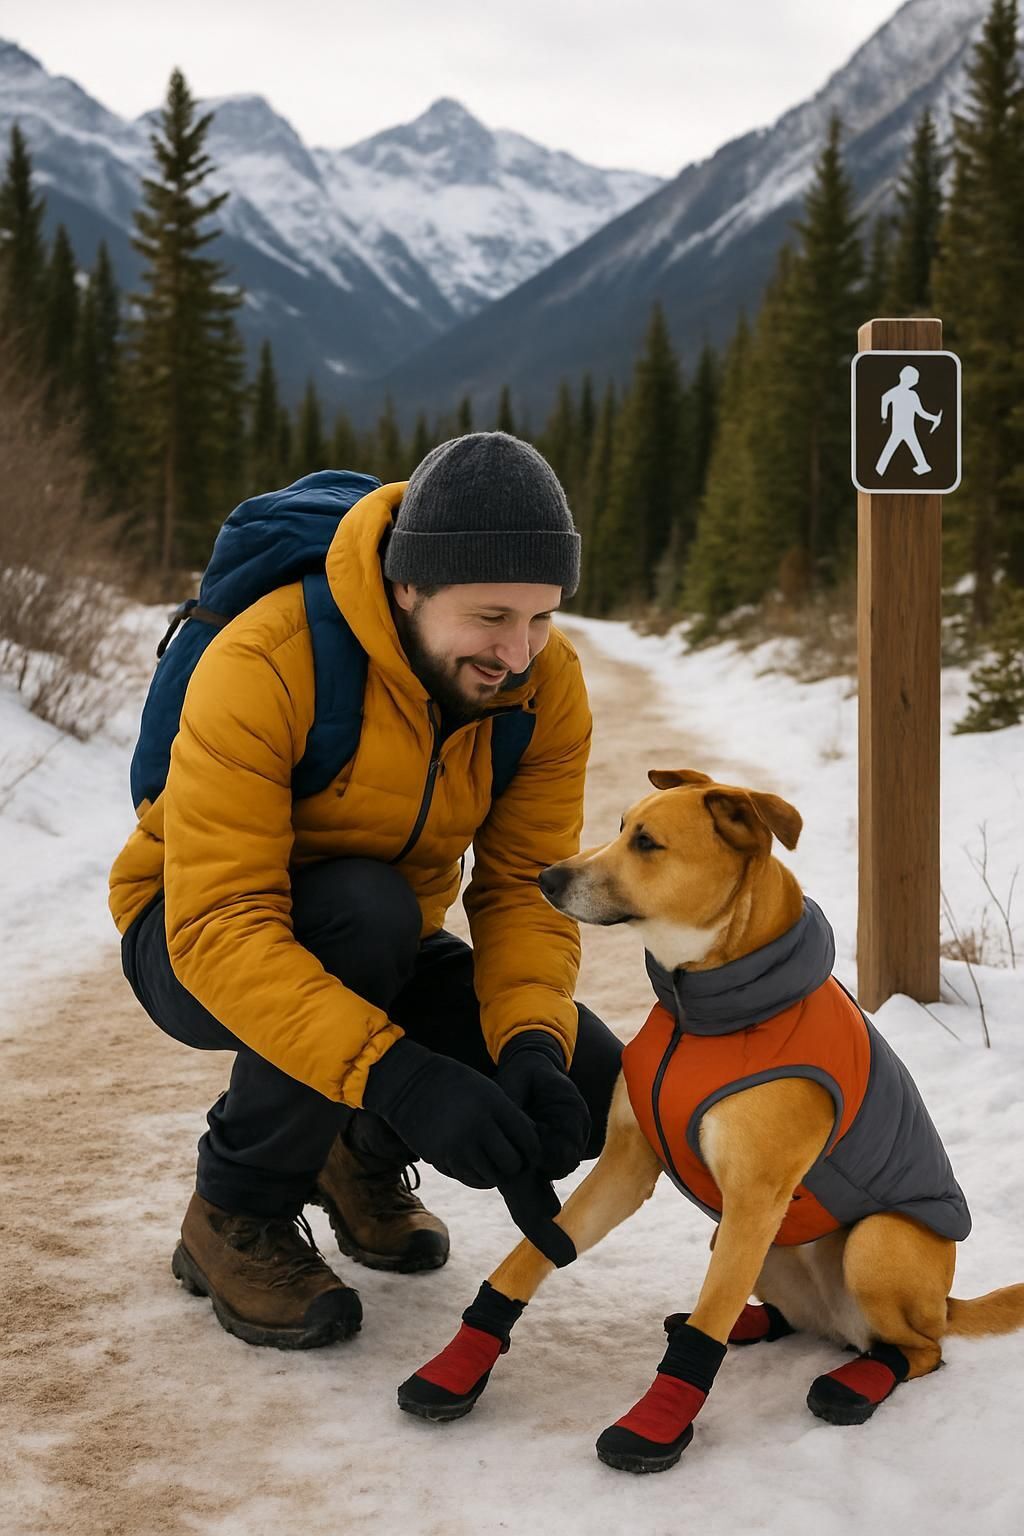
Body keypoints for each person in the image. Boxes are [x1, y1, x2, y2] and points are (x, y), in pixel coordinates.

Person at [109, 430, 623, 1349]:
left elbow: (519, 889)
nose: (517, 652)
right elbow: (223, 924)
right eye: (491, 616)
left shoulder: (543, 689)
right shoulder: (269, 659)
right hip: (192, 932)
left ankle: (354, 1153)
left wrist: (531, 1044)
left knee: (589, 1084)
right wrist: (402, 1077)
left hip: (380, 940)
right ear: (408, 586)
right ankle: (235, 1212)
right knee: (364, 911)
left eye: (542, 618)